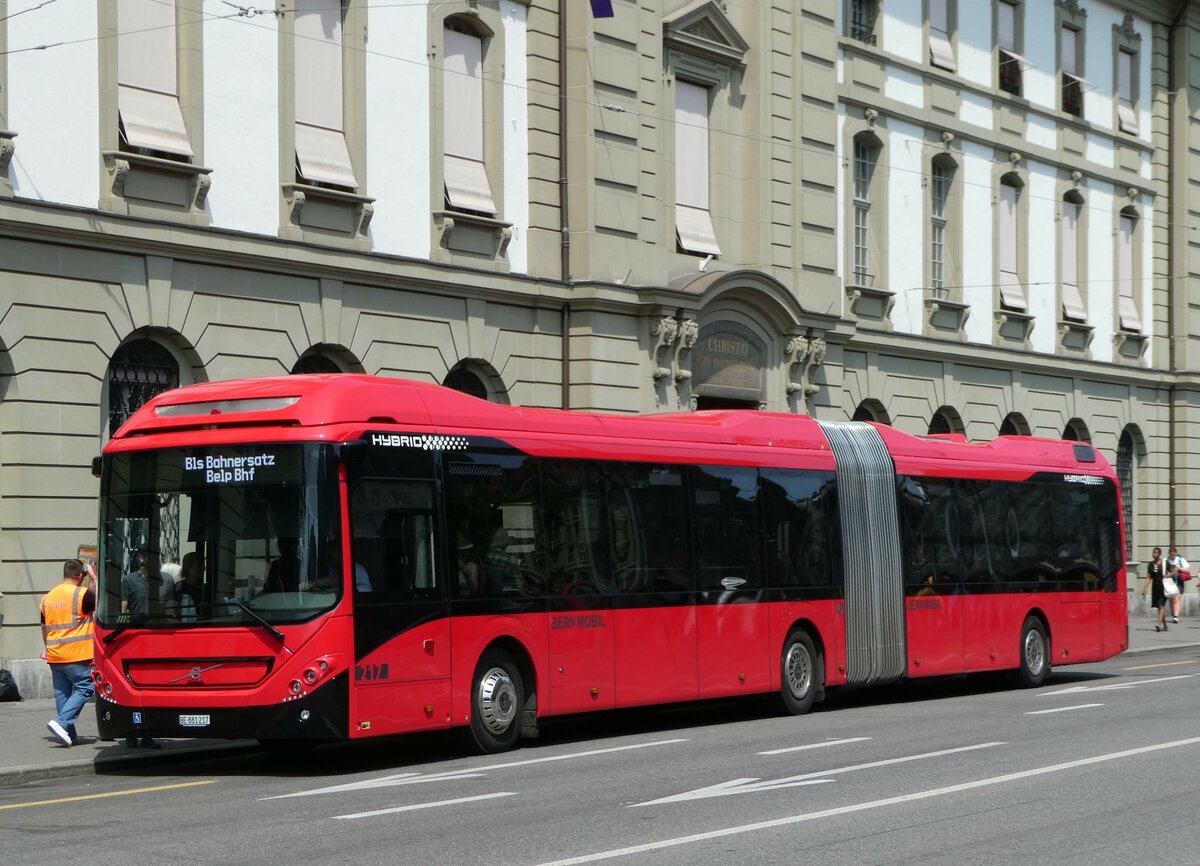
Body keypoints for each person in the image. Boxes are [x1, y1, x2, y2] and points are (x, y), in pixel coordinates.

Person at [39, 559, 96, 747]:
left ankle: (69, 734)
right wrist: (94, 575)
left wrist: (48, 649)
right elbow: (101, 599)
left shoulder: (48, 597)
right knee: (85, 688)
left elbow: (44, 627)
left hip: (55, 654)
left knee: (62, 695)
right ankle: (61, 722)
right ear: (80, 576)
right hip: (77, 654)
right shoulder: (82, 594)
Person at [302, 538, 370, 592]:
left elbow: (338, 579)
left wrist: (314, 583)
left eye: (331, 557)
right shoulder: (334, 569)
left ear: (341, 553)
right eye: (328, 558)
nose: (331, 562)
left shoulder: (356, 568)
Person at [1142, 547, 1169, 632]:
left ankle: (1159, 625)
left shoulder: (1164, 563)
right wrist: (1145, 588)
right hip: (1155, 587)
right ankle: (1165, 625)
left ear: (1160, 554)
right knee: (1159, 606)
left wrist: (1168, 575)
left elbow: (1173, 571)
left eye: (1156, 553)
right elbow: (1149, 576)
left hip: (1164, 587)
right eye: (1154, 552)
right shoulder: (1150, 564)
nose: (1154, 554)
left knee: (1161, 605)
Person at [175, 551, 206, 621]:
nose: (203, 568)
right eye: (199, 565)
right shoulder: (179, 587)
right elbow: (172, 612)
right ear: (188, 568)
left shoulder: (206, 588)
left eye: (203, 565)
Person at [1167, 545, 1189, 624]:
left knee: (1177, 598)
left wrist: (1179, 568)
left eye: (1174, 554)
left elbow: (1187, 570)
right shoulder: (1167, 560)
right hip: (1170, 581)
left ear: (1176, 553)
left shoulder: (1180, 560)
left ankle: (1176, 616)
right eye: (1171, 554)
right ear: (1169, 554)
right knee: (1171, 598)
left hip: (1179, 581)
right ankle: (1173, 613)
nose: (1172, 556)